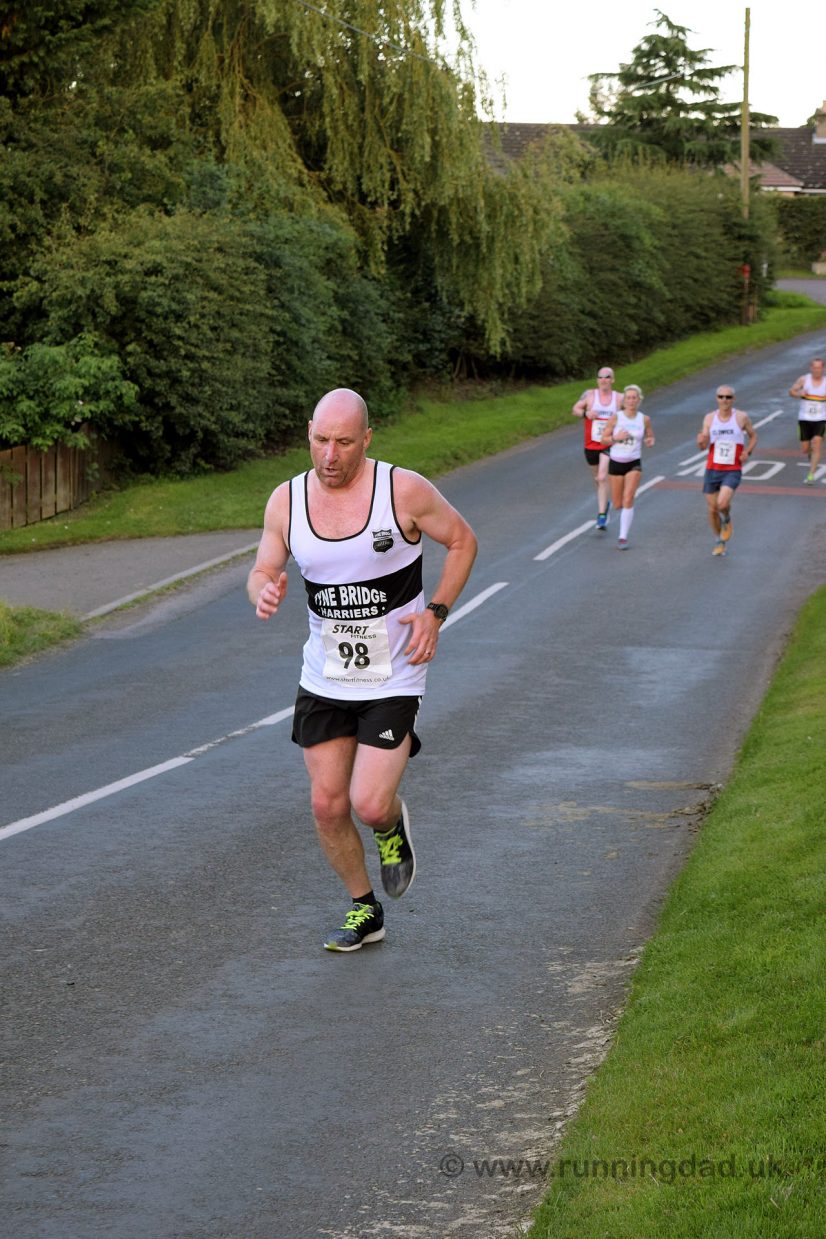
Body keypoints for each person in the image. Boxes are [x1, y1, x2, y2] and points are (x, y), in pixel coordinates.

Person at [248, 388, 477, 952]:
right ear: (309, 433)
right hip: (324, 676)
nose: (330, 454)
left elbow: (463, 541)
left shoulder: (403, 491)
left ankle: (391, 826)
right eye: (321, 440)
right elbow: (263, 564)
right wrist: (264, 587)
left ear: (366, 440)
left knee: (369, 802)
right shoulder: (287, 500)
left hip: (394, 673)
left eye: (344, 442)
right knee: (327, 804)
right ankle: (363, 909)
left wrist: (436, 612)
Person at [696, 386, 757, 556]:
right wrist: (700, 442)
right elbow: (703, 446)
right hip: (712, 468)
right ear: (716, 398)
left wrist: (747, 452)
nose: (724, 400)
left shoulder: (741, 417)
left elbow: (753, 435)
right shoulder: (709, 418)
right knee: (712, 509)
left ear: (733, 399)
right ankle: (719, 541)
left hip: (732, 469)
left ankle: (727, 519)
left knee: (722, 504)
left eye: (728, 397)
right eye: (721, 397)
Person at [602, 385, 655, 549]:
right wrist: (615, 438)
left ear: (639, 400)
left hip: (634, 463)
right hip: (616, 463)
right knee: (618, 504)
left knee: (628, 499)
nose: (631, 401)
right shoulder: (616, 418)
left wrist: (649, 440)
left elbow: (650, 435)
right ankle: (611, 504)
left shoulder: (644, 419)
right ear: (624, 401)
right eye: (628, 398)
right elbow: (603, 440)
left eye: (634, 398)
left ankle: (623, 537)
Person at [572, 366, 620, 529]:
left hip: (608, 443)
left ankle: (601, 515)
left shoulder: (618, 398)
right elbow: (575, 409)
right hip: (591, 444)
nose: (604, 380)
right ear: (597, 380)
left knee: (601, 477)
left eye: (607, 377)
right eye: (600, 377)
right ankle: (604, 502)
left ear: (612, 380)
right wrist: (586, 414)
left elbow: (630, 413)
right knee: (598, 479)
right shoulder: (589, 396)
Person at [789, 356, 826, 483]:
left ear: (823, 369)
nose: (817, 370)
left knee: (817, 443)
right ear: (811, 368)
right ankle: (809, 452)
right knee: (805, 448)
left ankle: (811, 474)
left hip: (821, 419)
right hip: (805, 418)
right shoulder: (804, 380)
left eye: (819, 368)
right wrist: (799, 393)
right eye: (814, 368)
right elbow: (791, 391)